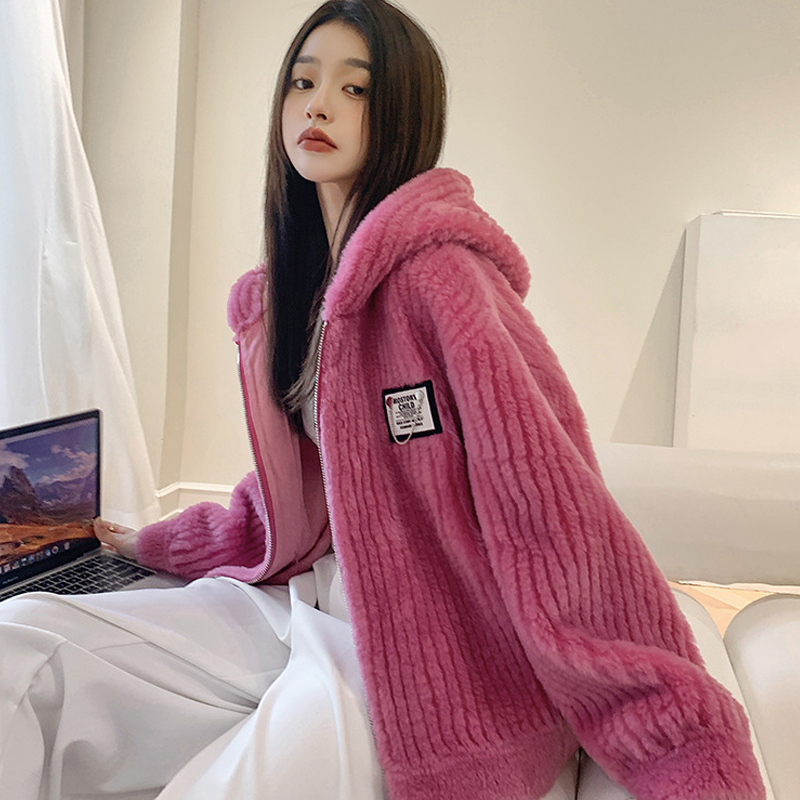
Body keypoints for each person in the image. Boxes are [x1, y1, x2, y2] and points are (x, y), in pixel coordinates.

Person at [0, 1, 766, 799]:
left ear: (404, 112)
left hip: (427, 650)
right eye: (303, 82)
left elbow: (553, 512)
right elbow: (303, 495)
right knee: (21, 642)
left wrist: (678, 743)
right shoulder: (287, 298)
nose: (318, 106)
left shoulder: (445, 280)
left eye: (355, 89)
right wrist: (155, 544)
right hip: (311, 601)